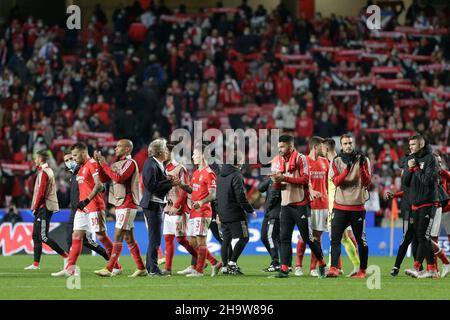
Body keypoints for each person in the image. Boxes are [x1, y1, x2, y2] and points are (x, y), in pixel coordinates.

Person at [52, 143, 119, 277]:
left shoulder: (92, 164)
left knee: (101, 237)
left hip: (95, 207)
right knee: (76, 236)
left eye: (75, 155)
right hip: (82, 209)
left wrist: (87, 200)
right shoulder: (81, 167)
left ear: (83, 153)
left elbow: (100, 185)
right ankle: (70, 269)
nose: (74, 158)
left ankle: (116, 265)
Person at [271, 135, 328, 278]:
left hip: (300, 204)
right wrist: (276, 181)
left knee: (308, 238)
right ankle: (284, 269)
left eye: (282, 146)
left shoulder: (300, 158)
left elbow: (305, 179)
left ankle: (322, 263)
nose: (280, 149)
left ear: (291, 146)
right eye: (279, 147)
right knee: (284, 238)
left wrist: (284, 178)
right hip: (285, 204)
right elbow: (279, 185)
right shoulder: (279, 160)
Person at [93, 139, 147, 277]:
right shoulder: (117, 163)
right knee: (129, 238)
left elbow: (119, 178)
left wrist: (105, 164)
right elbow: (104, 178)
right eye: (116, 146)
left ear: (128, 149)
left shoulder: (130, 163)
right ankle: (141, 268)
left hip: (128, 203)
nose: (116, 148)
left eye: (119, 146)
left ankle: (110, 268)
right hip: (120, 203)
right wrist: (100, 164)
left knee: (118, 235)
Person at [327, 134, 371, 278]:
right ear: (341, 145)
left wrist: (362, 168)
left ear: (354, 144)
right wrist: (348, 168)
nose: (348, 146)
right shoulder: (336, 161)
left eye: (350, 143)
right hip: (340, 206)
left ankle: (363, 270)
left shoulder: (364, 160)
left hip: (357, 207)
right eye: (345, 143)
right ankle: (333, 268)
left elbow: (366, 182)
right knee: (335, 238)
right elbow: (337, 182)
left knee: (360, 240)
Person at [178, 144, 223, 277]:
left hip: (203, 211)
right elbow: (192, 190)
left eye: (195, 154)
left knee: (201, 241)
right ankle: (214, 262)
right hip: (194, 211)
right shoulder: (197, 172)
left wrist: (201, 202)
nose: (192, 156)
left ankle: (199, 270)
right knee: (192, 242)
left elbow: (214, 194)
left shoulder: (209, 173)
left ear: (203, 155)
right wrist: (180, 184)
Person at [402, 134, 439, 278]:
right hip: (415, 204)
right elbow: (405, 182)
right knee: (421, 238)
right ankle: (432, 269)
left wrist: (416, 168)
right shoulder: (410, 159)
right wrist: (410, 169)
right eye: (409, 144)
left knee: (423, 235)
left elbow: (428, 181)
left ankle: (416, 267)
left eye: (413, 145)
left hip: (428, 202)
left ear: (421, 145)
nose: (410, 147)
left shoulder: (431, 159)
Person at [24, 150, 69, 270]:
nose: (34, 160)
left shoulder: (44, 172)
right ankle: (35, 264)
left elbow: (41, 193)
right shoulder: (45, 171)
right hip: (42, 207)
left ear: (40, 158)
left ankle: (65, 256)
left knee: (43, 236)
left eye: (35, 158)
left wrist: (35, 207)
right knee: (36, 236)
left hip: (44, 208)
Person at [140, 138, 178, 276]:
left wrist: (166, 180)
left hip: (156, 204)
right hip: (153, 204)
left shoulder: (156, 164)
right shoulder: (151, 164)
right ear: (160, 151)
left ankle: (151, 267)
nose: (167, 151)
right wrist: (170, 184)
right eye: (165, 149)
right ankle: (153, 269)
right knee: (155, 239)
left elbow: (155, 183)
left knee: (154, 238)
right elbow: (151, 186)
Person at [63, 150, 109, 261]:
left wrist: (100, 188)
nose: (70, 161)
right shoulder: (74, 174)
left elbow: (101, 186)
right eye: (66, 160)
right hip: (75, 209)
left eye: (71, 158)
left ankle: (110, 257)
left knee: (91, 238)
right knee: (75, 238)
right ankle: (69, 267)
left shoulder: (84, 169)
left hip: (85, 208)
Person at [323, 138, 360, 277]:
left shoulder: (336, 162)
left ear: (326, 149)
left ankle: (337, 266)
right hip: (338, 204)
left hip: (337, 206)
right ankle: (339, 266)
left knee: (337, 237)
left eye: (321, 148)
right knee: (342, 237)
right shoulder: (337, 161)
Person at [217, 155, 256, 275]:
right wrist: (250, 210)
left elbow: (217, 196)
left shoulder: (221, 174)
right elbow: (240, 196)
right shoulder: (236, 175)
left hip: (223, 213)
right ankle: (232, 264)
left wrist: (218, 212)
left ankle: (224, 267)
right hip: (235, 213)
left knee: (226, 240)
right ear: (239, 162)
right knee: (244, 238)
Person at [295, 136, 329, 277]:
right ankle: (298, 266)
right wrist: (310, 191)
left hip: (323, 205)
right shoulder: (304, 161)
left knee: (317, 238)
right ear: (315, 147)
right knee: (305, 237)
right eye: (323, 146)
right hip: (308, 204)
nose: (325, 149)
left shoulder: (325, 162)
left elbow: (327, 184)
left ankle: (313, 268)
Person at [163, 145, 199, 275]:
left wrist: (177, 205)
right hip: (167, 207)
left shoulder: (180, 168)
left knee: (181, 239)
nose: (163, 153)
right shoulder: (163, 169)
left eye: (166, 151)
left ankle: (204, 261)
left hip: (179, 210)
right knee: (168, 239)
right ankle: (167, 269)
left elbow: (184, 190)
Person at [258, 176, 281, 272]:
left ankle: (276, 263)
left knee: (272, 237)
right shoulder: (271, 179)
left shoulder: (281, 181)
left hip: (275, 213)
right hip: (268, 213)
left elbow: (274, 197)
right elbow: (260, 188)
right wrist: (269, 179)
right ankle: (277, 261)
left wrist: (268, 208)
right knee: (264, 237)